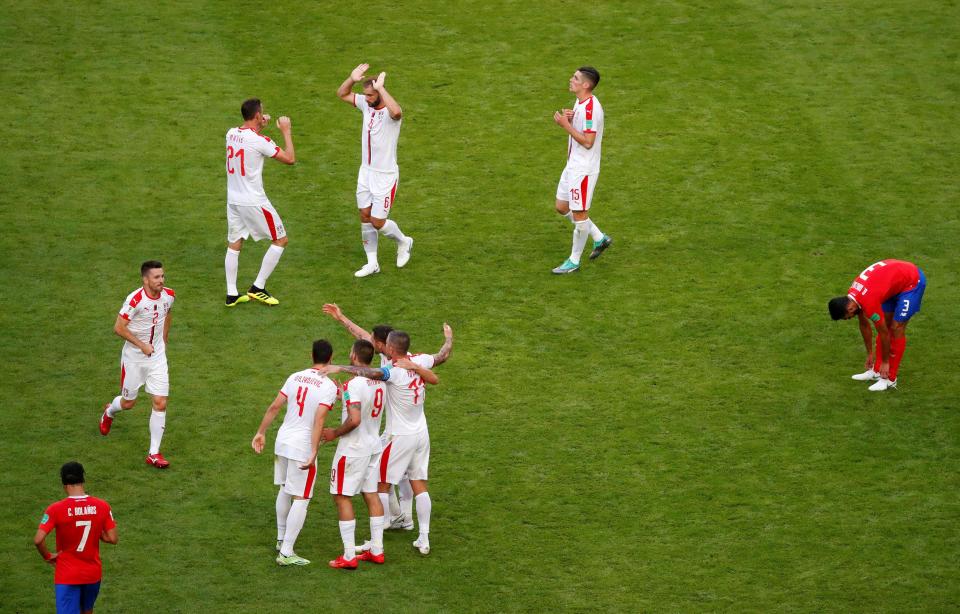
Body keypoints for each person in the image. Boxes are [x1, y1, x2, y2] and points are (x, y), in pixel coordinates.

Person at [321, 303, 453, 529]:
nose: (369, 342)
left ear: (385, 346)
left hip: (399, 433)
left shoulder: (392, 369)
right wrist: (449, 338)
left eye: (374, 341)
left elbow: (370, 371)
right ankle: (409, 522)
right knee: (411, 477)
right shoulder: (418, 360)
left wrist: (341, 368)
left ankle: (384, 525)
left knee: (380, 478)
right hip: (420, 430)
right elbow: (442, 356)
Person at [251, 340, 338, 566]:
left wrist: (260, 432)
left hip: (283, 440)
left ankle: (281, 539)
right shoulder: (328, 386)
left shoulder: (295, 376)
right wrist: (313, 451)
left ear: (312, 355)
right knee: (302, 496)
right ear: (330, 358)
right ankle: (287, 552)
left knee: (285, 488)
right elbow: (319, 419)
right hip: (302, 445)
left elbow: (274, 406)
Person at [336, 63, 414, 278]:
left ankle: (404, 242)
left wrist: (381, 89)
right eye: (366, 95)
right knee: (364, 215)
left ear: (379, 93)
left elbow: (397, 111)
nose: (367, 98)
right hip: (366, 172)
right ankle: (372, 263)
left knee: (377, 222)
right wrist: (352, 78)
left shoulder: (390, 114)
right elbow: (342, 94)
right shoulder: (365, 104)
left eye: (370, 95)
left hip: (386, 176)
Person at [98, 261, 175, 468]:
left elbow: (168, 314)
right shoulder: (135, 300)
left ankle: (153, 453)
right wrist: (142, 345)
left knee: (160, 402)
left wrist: (164, 342)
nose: (161, 280)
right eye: (157, 277)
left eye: (162, 276)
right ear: (145, 279)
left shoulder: (169, 295)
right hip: (134, 359)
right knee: (128, 403)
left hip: (157, 358)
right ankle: (109, 411)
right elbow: (118, 327)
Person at [322, 339, 389, 569]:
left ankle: (349, 556)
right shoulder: (379, 382)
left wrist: (334, 433)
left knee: (342, 496)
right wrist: (346, 398)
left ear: (353, 355)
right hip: (373, 446)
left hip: (353, 449)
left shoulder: (354, 384)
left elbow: (355, 419)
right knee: (371, 493)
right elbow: (365, 408)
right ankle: (377, 550)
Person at [224, 98, 295, 306]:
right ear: (257, 115)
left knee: (234, 243)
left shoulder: (231, 133)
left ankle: (231, 294)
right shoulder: (260, 141)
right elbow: (289, 158)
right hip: (253, 201)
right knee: (281, 239)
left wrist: (258, 125)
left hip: (233, 199)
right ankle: (258, 287)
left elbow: (248, 135)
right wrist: (286, 130)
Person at [828, 259, 927, 391]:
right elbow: (864, 325)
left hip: (912, 282)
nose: (849, 319)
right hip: (894, 283)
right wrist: (870, 354)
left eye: (847, 318)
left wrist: (886, 362)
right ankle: (876, 371)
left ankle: (890, 379)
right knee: (885, 323)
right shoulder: (853, 296)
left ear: (850, 309)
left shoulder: (868, 302)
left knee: (896, 328)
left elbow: (883, 332)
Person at [551, 66, 612, 274]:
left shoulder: (591, 109)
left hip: (583, 170)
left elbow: (588, 141)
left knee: (580, 214)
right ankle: (599, 238)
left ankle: (573, 261)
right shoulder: (580, 101)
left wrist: (564, 126)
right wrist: (570, 118)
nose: (571, 79)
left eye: (575, 78)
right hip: (572, 165)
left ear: (586, 84)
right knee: (561, 206)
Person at [34, 461, 118, 614]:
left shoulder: (55, 509)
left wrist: (47, 556)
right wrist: (97, 531)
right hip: (92, 574)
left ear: (64, 483)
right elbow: (112, 538)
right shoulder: (102, 506)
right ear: (82, 479)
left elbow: (38, 540)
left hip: (67, 574)